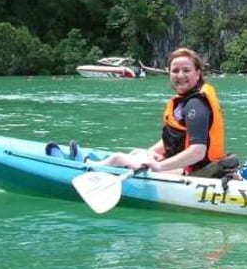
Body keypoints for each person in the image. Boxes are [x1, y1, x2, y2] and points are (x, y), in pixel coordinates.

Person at [95, 47, 226, 174]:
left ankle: (87, 167)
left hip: (196, 173)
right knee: (138, 153)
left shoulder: (195, 105)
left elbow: (198, 152)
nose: (180, 75)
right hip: (188, 167)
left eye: (186, 70)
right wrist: (151, 153)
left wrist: (159, 166)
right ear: (169, 74)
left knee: (118, 158)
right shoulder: (185, 102)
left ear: (197, 74)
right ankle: (92, 164)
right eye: (175, 71)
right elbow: (176, 139)